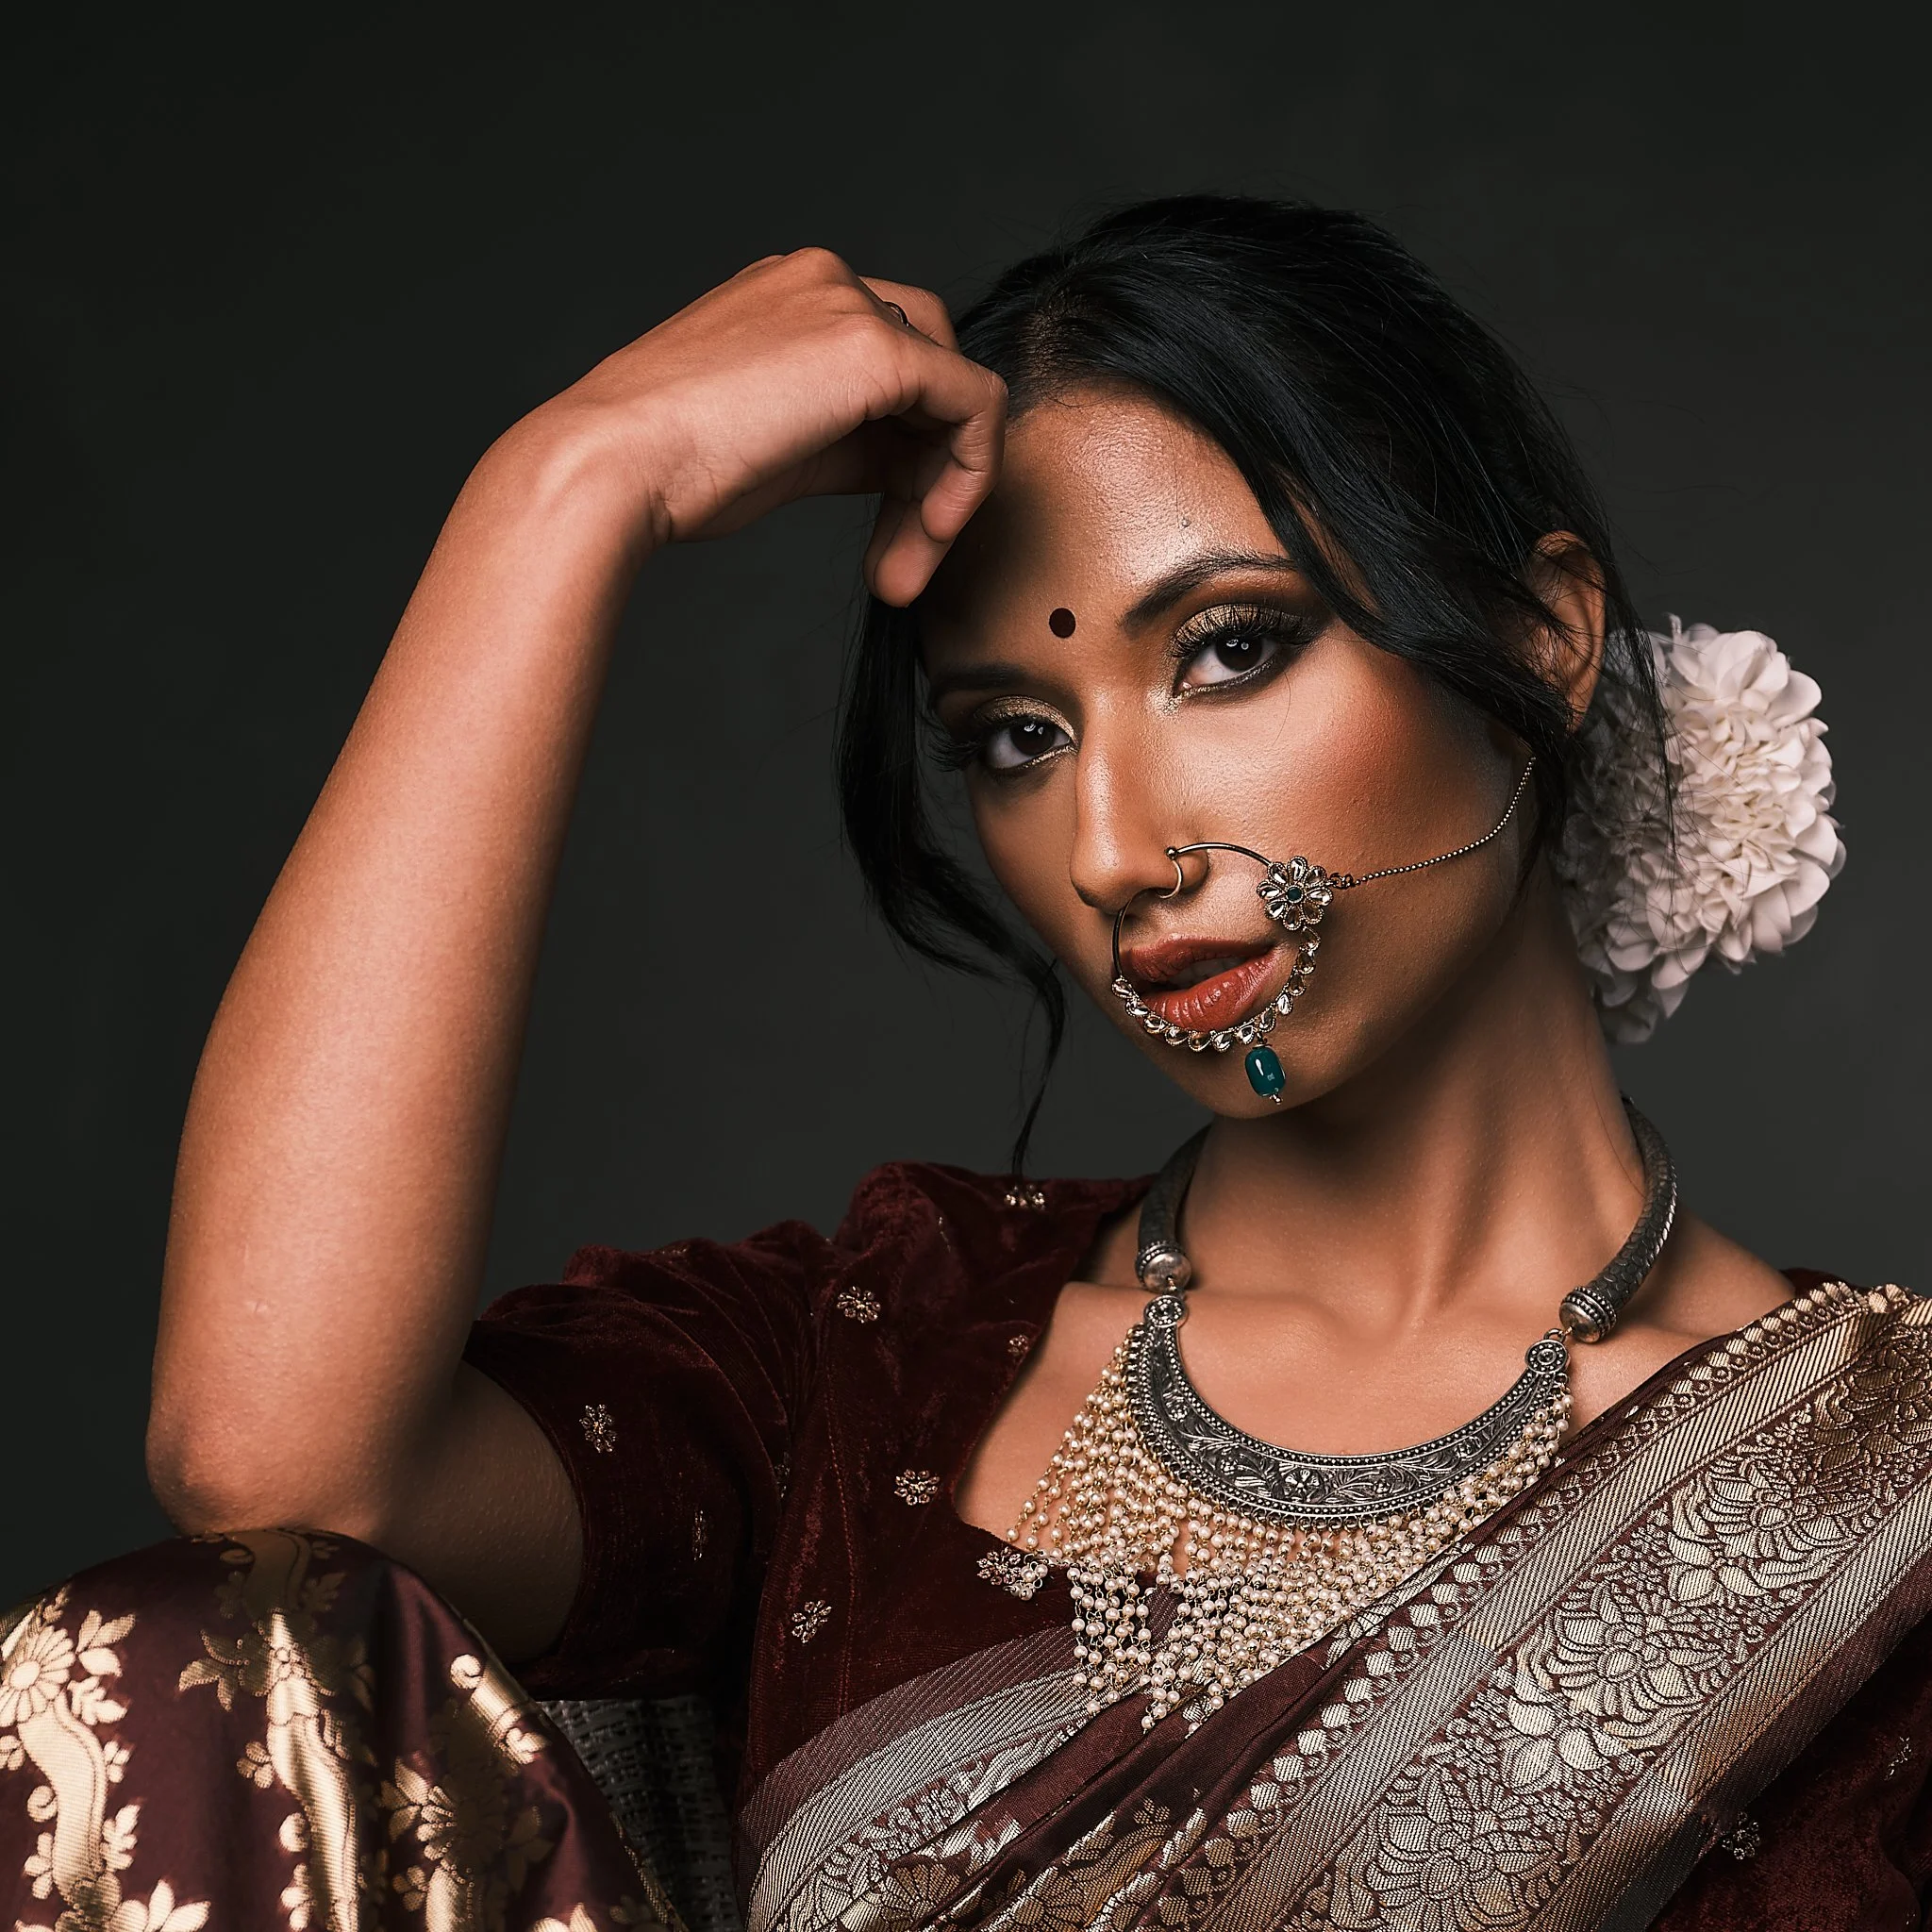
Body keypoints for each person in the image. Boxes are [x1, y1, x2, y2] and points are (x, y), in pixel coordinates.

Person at [5, 198, 1922, 1932]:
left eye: (1227, 650)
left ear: (1547, 640)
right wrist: (563, 488)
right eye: (1016, 736)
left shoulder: (1882, 1512)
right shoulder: (870, 1363)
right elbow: (281, 1472)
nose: (1111, 848)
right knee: (181, 1656)